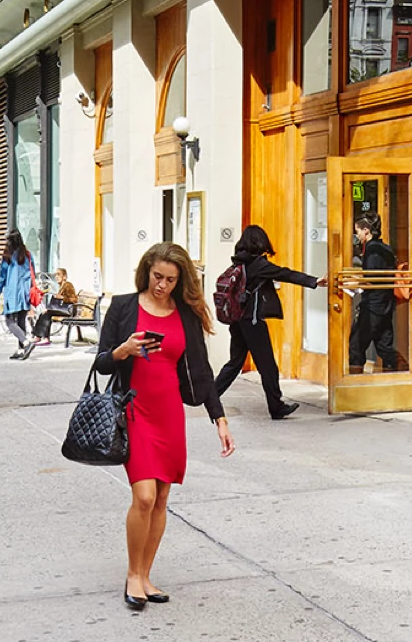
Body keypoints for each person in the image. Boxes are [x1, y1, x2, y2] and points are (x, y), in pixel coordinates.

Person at [95, 240, 233, 611]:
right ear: (147, 272)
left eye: (171, 280)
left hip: (170, 413)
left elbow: (201, 372)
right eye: (158, 277)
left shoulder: (185, 314)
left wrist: (218, 418)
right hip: (135, 411)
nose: (163, 285)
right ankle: (132, 574)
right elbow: (102, 362)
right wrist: (123, 350)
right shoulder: (124, 306)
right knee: (144, 497)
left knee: (162, 500)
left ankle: (145, 574)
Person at [216, 227, 323, 419]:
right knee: (267, 366)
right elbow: (285, 274)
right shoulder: (258, 265)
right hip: (253, 321)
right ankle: (276, 407)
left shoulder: (239, 262)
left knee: (235, 362)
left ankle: (211, 397)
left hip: (238, 320)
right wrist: (314, 281)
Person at [350, 212, 409, 373]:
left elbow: (372, 278)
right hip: (386, 303)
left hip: (373, 305)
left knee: (356, 346)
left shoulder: (372, 250)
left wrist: (354, 282)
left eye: (358, 231)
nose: (357, 235)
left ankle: (354, 384)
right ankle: (399, 374)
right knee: (384, 345)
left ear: (366, 230)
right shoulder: (385, 248)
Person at [0, 233, 41, 359]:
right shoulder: (27, 254)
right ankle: (21, 350)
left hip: (12, 292)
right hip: (25, 292)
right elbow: (33, 273)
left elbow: (2, 276)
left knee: (9, 321)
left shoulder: (8, 256)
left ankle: (26, 343)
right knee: (21, 321)